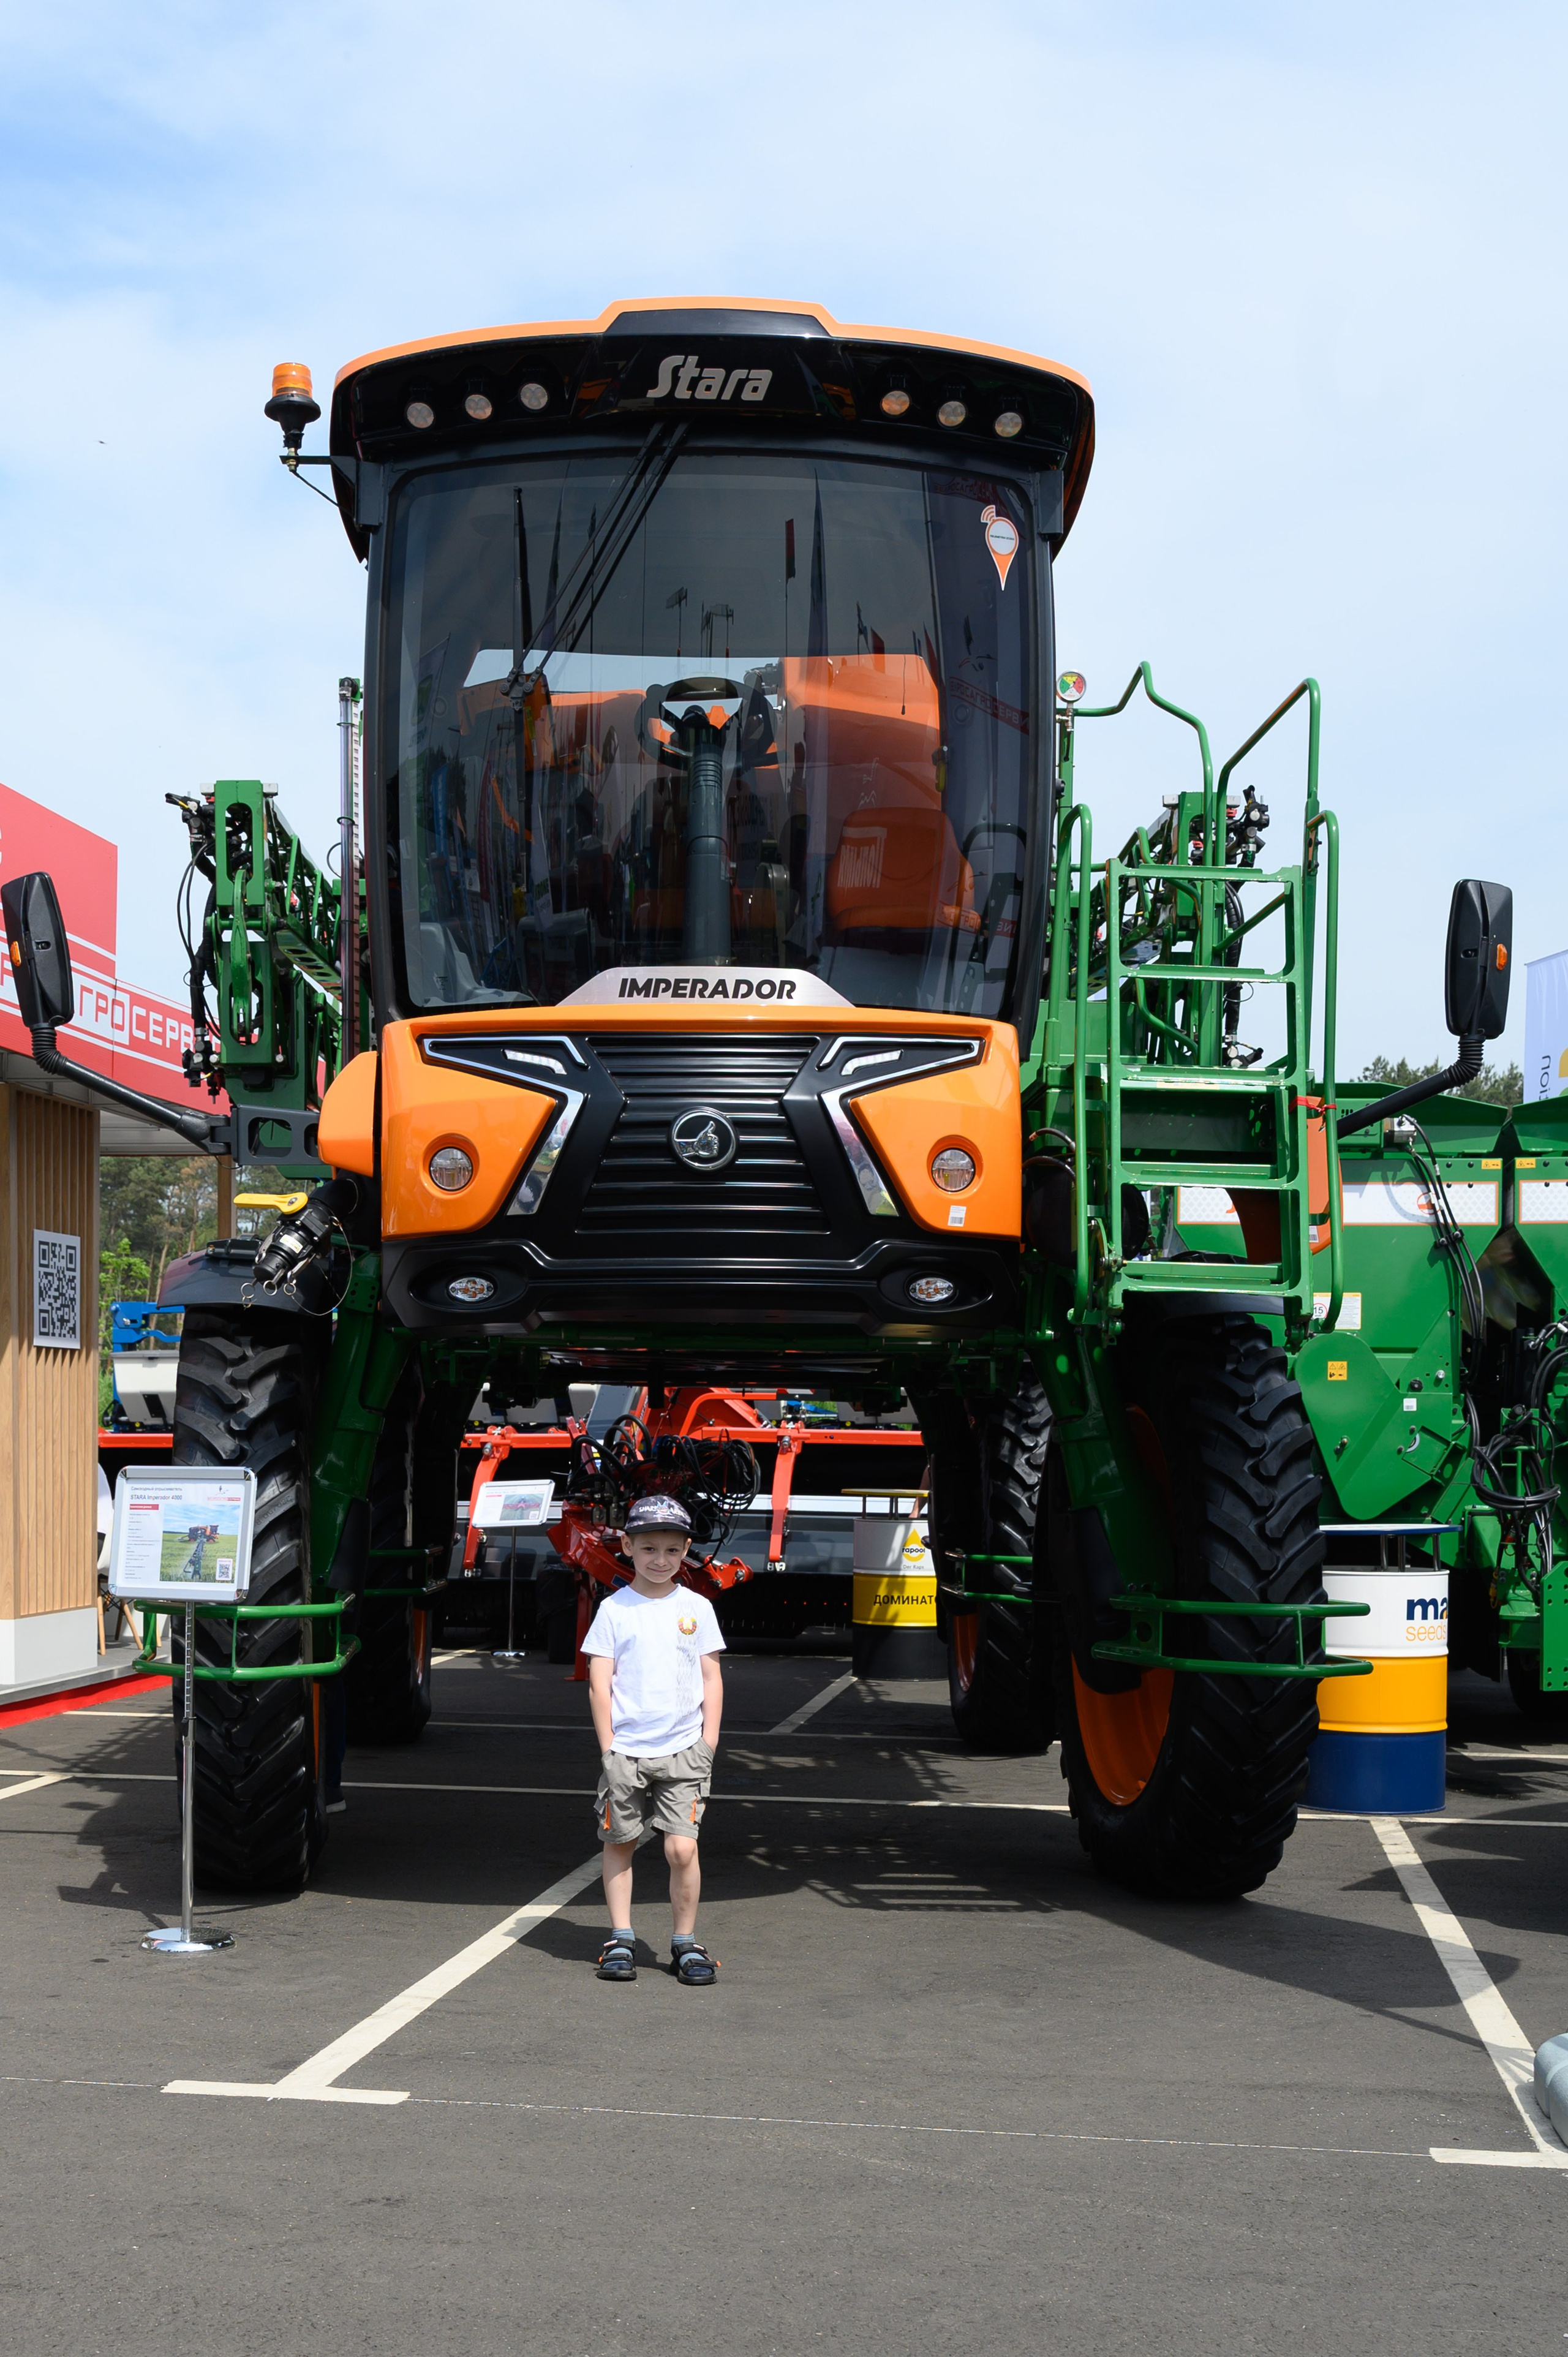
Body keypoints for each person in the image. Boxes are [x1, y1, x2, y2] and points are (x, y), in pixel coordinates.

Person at [582, 1493, 725, 1985]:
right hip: (626, 1751)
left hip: (685, 1750)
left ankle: (685, 1943)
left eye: (671, 1549)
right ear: (627, 1546)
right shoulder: (615, 1610)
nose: (660, 1560)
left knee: (682, 1850)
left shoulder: (698, 1608)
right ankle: (621, 1938)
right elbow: (601, 1681)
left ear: (686, 1549)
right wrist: (609, 1748)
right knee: (621, 1842)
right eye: (648, 1549)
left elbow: (711, 1677)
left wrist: (708, 1744)